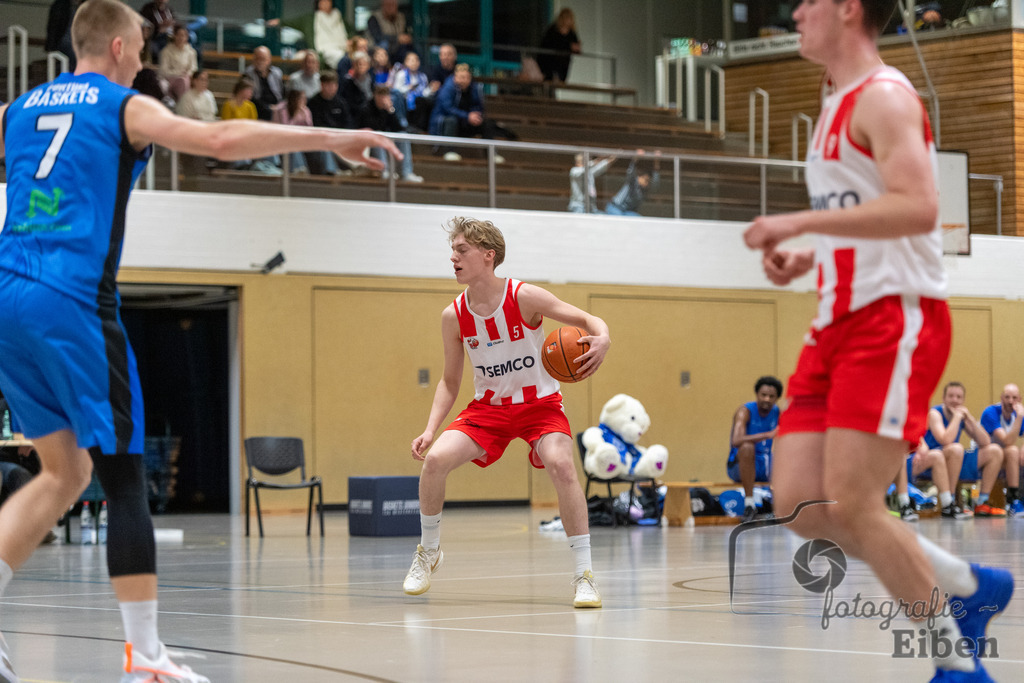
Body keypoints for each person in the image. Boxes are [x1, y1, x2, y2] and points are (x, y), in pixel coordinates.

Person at [0, 3, 399, 680]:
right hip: (72, 300)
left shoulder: (17, 110)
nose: (144, 57)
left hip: (8, 298)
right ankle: (146, 655)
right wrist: (327, 138)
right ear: (120, 46)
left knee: (66, 474)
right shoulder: (120, 105)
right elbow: (214, 140)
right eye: (143, 46)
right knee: (124, 476)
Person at [742, 1, 1012, 680]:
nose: (796, 11)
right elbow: (858, 215)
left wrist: (792, 221)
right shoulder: (831, 101)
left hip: (894, 319)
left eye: (809, 1)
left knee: (856, 502)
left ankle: (956, 662)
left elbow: (920, 207)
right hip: (836, 315)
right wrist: (809, 255)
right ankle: (967, 582)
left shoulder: (886, 97)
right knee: (799, 502)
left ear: (848, 8)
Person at [404, 217, 610, 608]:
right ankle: (428, 552)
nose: (453, 258)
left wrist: (604, 337)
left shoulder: (524, 296)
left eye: (461, 250)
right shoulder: (454, 316)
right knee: (434, 462)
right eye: (452, 251)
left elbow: (586, 319)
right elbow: (450, 380)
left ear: (488, 254)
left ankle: (584, 575)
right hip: (490, 409)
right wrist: (431, 429)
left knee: (563, 465)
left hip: (540, 406)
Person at [917, 381, 993, 519]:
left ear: (963, 400)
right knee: (956, 448)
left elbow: (985, 441)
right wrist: (957, 417)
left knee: (994, 451)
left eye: (958, 397)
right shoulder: (935, 413)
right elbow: (945, 440)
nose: (955, 400)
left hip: (952, 461)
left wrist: (968, 417)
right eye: (951, 396)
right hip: (931, 461)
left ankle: (982, 502)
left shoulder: (962, 416)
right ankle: (949, 502)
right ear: (944, 398)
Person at [727, 375, 782, 522]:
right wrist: (767, 435)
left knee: (788, 451)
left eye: (771, 396)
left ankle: (780, 505)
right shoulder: (745, 411)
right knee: (746, 447)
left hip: (765, 464)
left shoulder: (778, 412)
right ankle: (749, 505)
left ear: (776, 398)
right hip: (740, 465)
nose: (767, 399)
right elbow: (736, 440)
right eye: (763, 395)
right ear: (757, 395)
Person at [429, 64, 503, 163]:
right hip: (446, 123)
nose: (464, 80)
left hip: (466, 122)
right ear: (455, 77)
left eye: (466, 77)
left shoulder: (475, 88)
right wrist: (467, 116)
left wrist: (476, 114)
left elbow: (479, 106)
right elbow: (448, 109)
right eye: (461, 77)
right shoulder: (448, 88)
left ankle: (491, 154)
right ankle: (450, 151)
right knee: (451, 121)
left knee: (486, 123)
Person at [360, 85, 422, 182]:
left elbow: (397, 128)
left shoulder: (388, 109)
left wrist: (390, 111)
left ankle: (405, 173)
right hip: (370, 142)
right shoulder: (366, 108)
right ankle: (384, 171)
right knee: (378, 136)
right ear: (374, 96)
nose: (382, 99)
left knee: (403, 136)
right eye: (380, 96)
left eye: (385, 96)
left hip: (385, 138)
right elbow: (373, 127)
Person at [979, 383, 1024, 516]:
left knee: (1016, 452)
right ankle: (1013, 499)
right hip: (984, 458)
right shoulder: (991, 412)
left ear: (1019, 400)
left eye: (1014, 398)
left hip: (1004, 459)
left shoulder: (1017, 415)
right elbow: (1006, 441)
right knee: (1012, 450)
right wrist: (1020, 417)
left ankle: (1016, 501)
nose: (1010, 401)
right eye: (1007, 397)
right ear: (1001, 398)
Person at [221, 78, 280, 175]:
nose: (251, 93)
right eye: (249, 90)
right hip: (234, 136)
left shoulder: (250, 106)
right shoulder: (229, 105)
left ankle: (270, 165)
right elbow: (226, 125)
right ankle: (242, 165)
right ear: (241, 90)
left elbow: (253, 124)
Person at [307, 70, 354, 175]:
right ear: (322, 85)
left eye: (333, 85)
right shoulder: (313, 103)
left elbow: (347, 123)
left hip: (340, 138)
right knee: (326, 146)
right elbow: (314, 124)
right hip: (321, 139)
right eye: (327, 85)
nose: (331, 88)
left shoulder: (341, 103)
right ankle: (331, 172)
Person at [605, 150, 660, 216]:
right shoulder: (632, 182)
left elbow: (655, 183)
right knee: (620, 222)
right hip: (616, 208)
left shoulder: (645, 190)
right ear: (639, 177)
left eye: (648, 181)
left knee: (639, 220)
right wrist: (636, 158)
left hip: (628, 212)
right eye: (645, 179)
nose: (646, 182)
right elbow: (630, 172)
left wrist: (656, 161)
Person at [273, 89, 314, 175]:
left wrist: (305, 117)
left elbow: (310, 129)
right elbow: (286, 128)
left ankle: (331, 171)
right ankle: (299, 169)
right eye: (301, 98)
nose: (304, 101)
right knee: (294, 146)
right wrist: (295, 114)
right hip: (281, 138)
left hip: (301, 139)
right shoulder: (282, 109)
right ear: (294, 99)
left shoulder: (305, 110)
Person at [389, 51, 431, 132]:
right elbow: (396, 91)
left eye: (416, 60)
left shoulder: (423, 76)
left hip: (419, 102)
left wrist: (431, 89)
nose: (414, 63)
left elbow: (425, 93)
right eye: (411, 60)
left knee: (423, 101)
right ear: (406, 62)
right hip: (404, 101)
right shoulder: (401, 74)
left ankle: (420, 129)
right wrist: (408, 88)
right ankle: (404, 123)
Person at [537, 7, 581, 83]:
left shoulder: (571, 33)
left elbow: (575, 45)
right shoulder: (553, 30)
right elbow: (550, 44)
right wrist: (568, 46)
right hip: (550, 60)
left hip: (564, 62)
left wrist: (576, 48)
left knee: (560, 80)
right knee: (549, 80)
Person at [244, 45, 285, 121]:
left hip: (277, 107)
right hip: (258, 108)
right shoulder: (248, 74)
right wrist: (268, 107)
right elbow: (250, 97)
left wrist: (278, 106)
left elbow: (283, 92)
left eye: (263, 59)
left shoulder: (277, 73)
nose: (260, 62)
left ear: (269, 60)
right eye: (257, 59)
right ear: (253, 60)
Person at [158, 24, 197, 101]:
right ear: (174, 36)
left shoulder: (191, 52)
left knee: (184, 82)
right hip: (169, 79)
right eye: (178, 35)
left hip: (185, 79)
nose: (181, 38)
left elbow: (193, 68)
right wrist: (179, 73)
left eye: (183, 35)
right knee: (165, 85)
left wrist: (186, 74)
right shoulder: (166, 51)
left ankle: (183, 106)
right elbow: (164, 70)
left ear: (187, 37)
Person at [367, 0, 413, 64]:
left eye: (393, 5)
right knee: (384, 44)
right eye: (388, 5)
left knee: (411, 47)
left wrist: (406, 38)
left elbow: (405, 32)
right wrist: (397, 38)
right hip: (378, 47)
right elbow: (378, 37)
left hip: (397, 47)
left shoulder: (401, 17)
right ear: (383, 6)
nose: (391, 8)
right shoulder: (374, 18)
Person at [45, 0, 84, 71]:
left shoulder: (86, 6)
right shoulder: (61, 5)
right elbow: (53, 27)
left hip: (79, 43)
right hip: (65, 41)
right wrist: (50, 47)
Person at [311, 0, 349, 68]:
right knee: (341, 58)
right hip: (326, 50)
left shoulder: (338, 15)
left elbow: (349, 31)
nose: (326, 4)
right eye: (323, 2)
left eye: (328, 1)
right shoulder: (315, 17)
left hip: (342, 48)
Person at [340, 51, 373, 117]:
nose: (360, 67)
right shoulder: (347, 82)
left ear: (368, 66)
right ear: (353, 65)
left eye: (364, 64)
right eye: (358, 64)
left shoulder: (371, 80)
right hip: (354, 114)